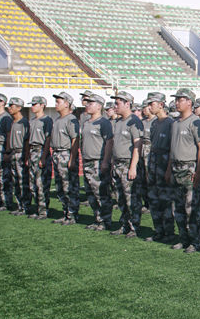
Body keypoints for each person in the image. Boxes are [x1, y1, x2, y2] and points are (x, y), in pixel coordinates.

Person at [166, 88, 200, 253]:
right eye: (176, 100)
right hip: (176, 167)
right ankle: (183, 238)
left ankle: (196, 241)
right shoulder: (175, 123)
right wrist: (169, 169)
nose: (177, 102)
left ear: (189, 102)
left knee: (191, 208)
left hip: (189, 167)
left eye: (180, 99)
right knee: (178, 207)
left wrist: (198, 171)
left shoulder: (195, 122)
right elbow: (172, 148)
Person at [109, 91, 143, 238]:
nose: (115, 106)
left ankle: (134, 227)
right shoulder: (118, 122)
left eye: (117, 103)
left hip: (128, 163)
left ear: (127, 104)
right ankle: (124, 224)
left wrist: (133, 166)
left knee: (131, 198)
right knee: (120, 197)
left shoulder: (134, 121)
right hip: (117, 163)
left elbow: (138, 145)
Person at [144, 92, 176, 243]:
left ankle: (169, 232)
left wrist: (169, 169)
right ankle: (158, 230)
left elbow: (172, 149)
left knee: (165, 199)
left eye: (152, 104)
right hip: (153, 161)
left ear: (161, 105)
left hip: (164, 161)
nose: (149, 107)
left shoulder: (170, 124)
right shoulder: (154, 123)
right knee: (153, 198)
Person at [80, 94, 114, 231]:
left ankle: (106, 221)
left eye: (91, 103)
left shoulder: (104, 123)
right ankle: (98, 219)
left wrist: (105, 161)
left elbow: (109, 142)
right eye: (87, 103)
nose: (87, 105)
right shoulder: (86, 122)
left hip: (97, 162)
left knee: (101, 193)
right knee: (91, 194)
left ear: (99, 106)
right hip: (87, 161)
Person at [51, 92, 80, 225]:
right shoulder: (57, 120)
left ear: (67, 104)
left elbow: (75, 139)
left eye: (59, 102)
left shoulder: (71, 119)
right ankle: (66, 213)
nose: (56, 104)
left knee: (69, 186)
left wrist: (72, 159)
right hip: (57, 154)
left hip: (66, 153)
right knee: (60, 186)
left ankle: (72, 214)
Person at [26, 96, 53, 220]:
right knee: (32, 184)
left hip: (41, 151)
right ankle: (37, 208)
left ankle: (43, 211)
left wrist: (43, 156)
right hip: (32, 152)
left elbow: (48, 139)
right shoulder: (31, 121)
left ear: (42, 105)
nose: (32, 106)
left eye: (35, 104)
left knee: (41, 183)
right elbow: (28, 140)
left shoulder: (47, 120)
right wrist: (27, 156)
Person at [6, 97, 31, 216]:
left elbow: (27, 141)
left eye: (12, 105)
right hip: (13, 153)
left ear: (19, 108)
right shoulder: (13, 122)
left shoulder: (24, 122)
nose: (9, 108)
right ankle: (19, 205)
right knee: (15, 181)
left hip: (21, 153)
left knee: (23, 181)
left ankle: (26, 206)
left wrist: (26, 157)